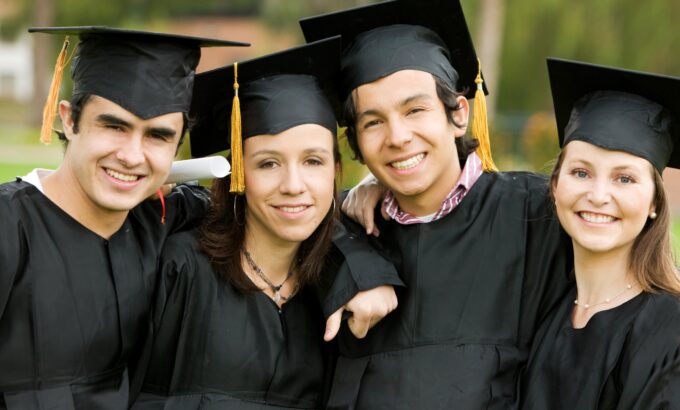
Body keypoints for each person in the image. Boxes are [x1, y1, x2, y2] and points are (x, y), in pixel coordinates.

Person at [300, 0, 573, 408]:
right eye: (373, 122)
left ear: (458, 114)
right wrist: (344, 254)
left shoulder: (539, 215)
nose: (397, 136)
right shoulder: (337, 232)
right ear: (355, 142)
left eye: (415, 110)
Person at [132, 37, 401, 409]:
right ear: (238, 175)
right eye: (268, 164)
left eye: (313, 162)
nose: (293, 186)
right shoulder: (181, 268)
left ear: (336, 172)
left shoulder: (333, 291)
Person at [0, 27, 247, 409]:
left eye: (157, 137)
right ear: (69, 120)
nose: (132, 156)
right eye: (114, 126)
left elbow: (281, 218)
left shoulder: (161, 221)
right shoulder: (9, 228)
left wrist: (367, 198)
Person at [521, 59, 680, 409]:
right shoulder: (544, 308)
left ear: (654, 202)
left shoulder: (670, 327)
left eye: (624, 178)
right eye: (581, 172)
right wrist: (375, 186)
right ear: (554, 187)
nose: (597, 195)